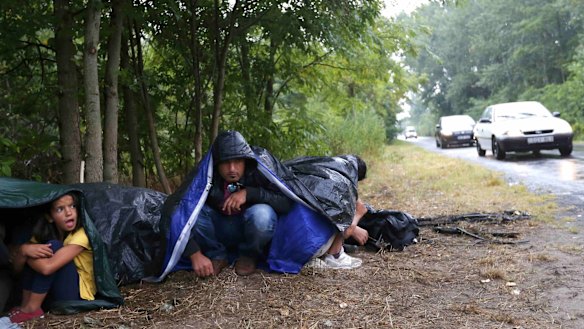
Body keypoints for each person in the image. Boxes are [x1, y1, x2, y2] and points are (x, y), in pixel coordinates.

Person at [182, 130, 293, 277]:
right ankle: (217, 255)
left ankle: (249, 255)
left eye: (238, 162)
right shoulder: (207, 175)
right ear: (217, 164)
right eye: (226, 163)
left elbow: (287, 202)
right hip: (220, 229)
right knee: (195, 211)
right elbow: (176, 210)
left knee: (262, 214)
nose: (232, 169)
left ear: (246, 161)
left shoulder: (259, 172)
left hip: (250, 229)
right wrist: (194, 253)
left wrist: (250, 193)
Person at [7, 192, 95, 324]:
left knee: (50, 247)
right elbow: (16, 270)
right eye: (60, 209)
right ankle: (25, 307)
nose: (69, 213)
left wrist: (23, 251)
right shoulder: (42, 236)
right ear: (50, 217)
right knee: (40, 248)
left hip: (76, 298)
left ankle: (32, 309)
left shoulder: (82, 235)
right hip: (52, 295)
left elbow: (47, 268)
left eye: (72, 206)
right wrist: (25, 251)